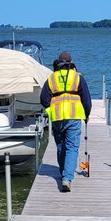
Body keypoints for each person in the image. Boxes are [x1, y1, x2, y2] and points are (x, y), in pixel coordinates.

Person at [40, 51, 92, 192]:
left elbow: (44, 99)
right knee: (72, 147)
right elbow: (86, 100)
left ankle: (63, 172)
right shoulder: (78, 78)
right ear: (71, 63)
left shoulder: (51, 79)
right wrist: (86, 114)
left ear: (58, 63)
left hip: (57, 118)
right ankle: (67, 178)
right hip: (74, 117)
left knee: (60, 146)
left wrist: (51, 109)